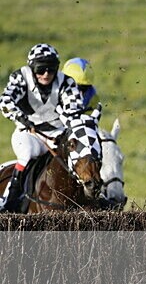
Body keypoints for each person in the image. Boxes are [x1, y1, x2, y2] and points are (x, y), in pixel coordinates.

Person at [0, 43, 85, 212]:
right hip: (29, 134)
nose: (46, 74)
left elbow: (74, 109)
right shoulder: (20, 77)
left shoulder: (66, 82)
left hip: (58, 134)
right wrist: (22, 119)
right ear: (32, 68)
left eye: (51, 69)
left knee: (82, 154)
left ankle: (96, 196)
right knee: (27, 153)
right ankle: (9, 201)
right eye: (41, 69)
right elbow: (5, 102)